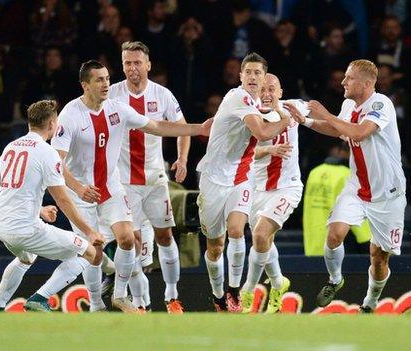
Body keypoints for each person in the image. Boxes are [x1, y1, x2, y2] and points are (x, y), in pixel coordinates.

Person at [50, 60, 211, 313]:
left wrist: (197, 129)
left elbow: (157, 126)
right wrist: (79, 187)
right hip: (81, 194)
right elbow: (55, 162)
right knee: (93, 249)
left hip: (112, 188)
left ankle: (120, 295)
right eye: (99, 80)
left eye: (106, 78)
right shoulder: (70, 114)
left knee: (127, 240)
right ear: (85, 85)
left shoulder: (118, 109)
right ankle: (95, 304)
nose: (106, 84)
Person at [286, 59, 406, 312]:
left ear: (366, 83)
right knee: (334, 234)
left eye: (349, 78)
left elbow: (360, 132)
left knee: (378, 256)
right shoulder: (349, 104)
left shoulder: (381, 104)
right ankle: (335, 279)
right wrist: (305, 122)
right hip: (357, 186)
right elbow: (338, 129)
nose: (343, 82)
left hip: (388, 194)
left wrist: (323, 113)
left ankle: (370, 302)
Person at [196, 52, 293, 312]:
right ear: (240, 76)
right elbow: (262, 132)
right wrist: (285, 119)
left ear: (264, 79)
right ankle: (218, 294)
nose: (252, 77)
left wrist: (288, 112)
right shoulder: (237, 97)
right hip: (213, 179)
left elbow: (278, 115)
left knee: (238, 231)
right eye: (248, 72)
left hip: (241, 177)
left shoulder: (258, 105)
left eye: (257, 73)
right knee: (215, 245)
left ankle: (234, 291)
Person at [0, 100, 105, 312]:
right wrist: (89, 231)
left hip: (0, 224)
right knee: (90, 253)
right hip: (25, 229)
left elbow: (14, 189)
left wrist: (40, 210)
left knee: (26, 258)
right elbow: (62, 199)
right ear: (52, 123)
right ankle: (40, 297)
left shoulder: (10, 147)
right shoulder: (47, 152)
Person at [107, 41, 188, 313]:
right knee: (132, 241)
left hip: (155, 180)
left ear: (148, 65)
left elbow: (181, 128)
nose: (132, 68)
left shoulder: (162, 95)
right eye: (127, 63)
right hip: (124, 182)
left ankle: (172, 295)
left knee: (165, 237)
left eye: (137, 63)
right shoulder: (112, 94)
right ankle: (142, 305)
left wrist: (183, 159)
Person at [239, 73, 307, 314]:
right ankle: (278, 283)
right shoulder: (249, 114)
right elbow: (242, 152)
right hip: (256, 188)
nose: (266, 94)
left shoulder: (294, 107)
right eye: (262, 90)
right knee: (264, 241)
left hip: (287, 187)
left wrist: (341, 130)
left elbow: (316, 116)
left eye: (272, 89)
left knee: (260, 234)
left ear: (280, 92)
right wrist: (270, 149)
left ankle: (247, 290)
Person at [302, 142, 371, 257]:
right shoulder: (347, 175)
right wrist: (367, 238)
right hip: (340, 242)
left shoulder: (315, 172)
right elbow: (355, 211)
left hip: (313, 241)